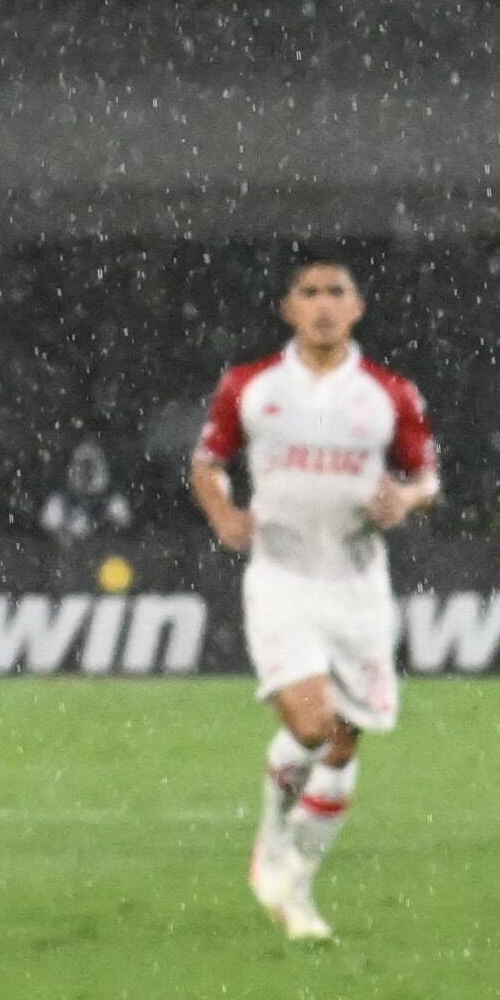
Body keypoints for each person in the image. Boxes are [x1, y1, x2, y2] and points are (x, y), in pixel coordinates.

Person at [190, 258, 440, 942]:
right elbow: (206, 460)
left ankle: (296, 880)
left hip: (357, 584)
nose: (324, 304)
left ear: (356, 308)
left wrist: (406, 497)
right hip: (282, 577)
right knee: (310, 724)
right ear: (288, 308)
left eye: (337, 292)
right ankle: (273, 845)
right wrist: (222, 513)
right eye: (310, 293)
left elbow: (426, 476)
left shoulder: (388, 393)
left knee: (344, 741)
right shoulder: (251, 387)